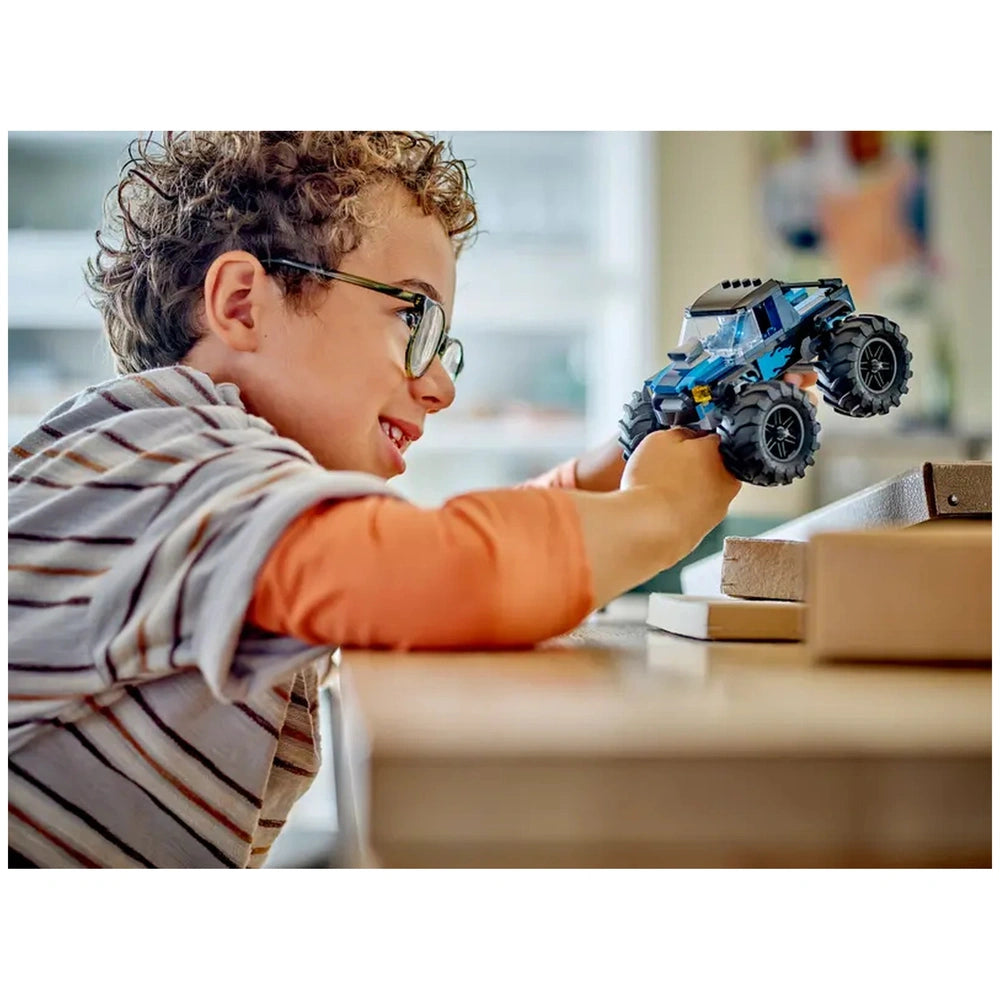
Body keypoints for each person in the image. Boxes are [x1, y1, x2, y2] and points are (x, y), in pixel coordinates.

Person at [9, 131, 742, 868]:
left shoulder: (196, 482)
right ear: (242, 305)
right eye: (412, 319)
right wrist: (662, 511)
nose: (442, 387)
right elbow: (444, 572)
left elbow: (412, 554)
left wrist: (600, 475)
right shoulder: (164, 453)